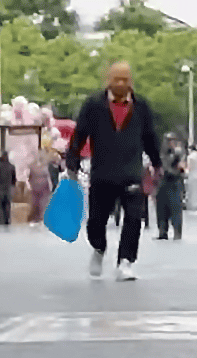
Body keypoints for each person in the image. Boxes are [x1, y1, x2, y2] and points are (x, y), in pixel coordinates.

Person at [65, 61, 162, 281]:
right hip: (102, 172)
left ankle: (125, 262)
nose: (120, 83)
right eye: (116, 79)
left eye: (124, 79)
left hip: (132, 172)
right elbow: (80, 134)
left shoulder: (141, 106)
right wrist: (72, 161)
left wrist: (157, 164)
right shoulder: (93, 105)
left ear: (131, 81)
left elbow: (150, 137)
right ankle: (99, 248)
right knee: (96, 221)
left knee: (134, 218)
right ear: (108, 80)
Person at [156, 136, 186, 241]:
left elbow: (181, 168)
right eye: (168, 141)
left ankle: (177, 233)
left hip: (174, 183)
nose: (169, 143)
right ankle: (162, 231)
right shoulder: (162, 154)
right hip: (163, 183)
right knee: (161, 209)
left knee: (175, 209)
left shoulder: (178, 153)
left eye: (171, 141)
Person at [27, 150, 52, 225]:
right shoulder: (34, 167)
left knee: (40, 204)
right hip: (38, 188)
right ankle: (37, 219)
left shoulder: (41, 167)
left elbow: (49, 178)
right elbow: (30, 178)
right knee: (37, 204)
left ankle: (39, 219)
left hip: (42, 188)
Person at [0, 151, 16, 226]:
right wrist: (13, 187)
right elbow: (14, 180)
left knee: (1, 206)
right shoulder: (12, 166)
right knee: (7, 205)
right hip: (8, 189)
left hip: (1, 189)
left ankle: (1, 221)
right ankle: (7, 220)